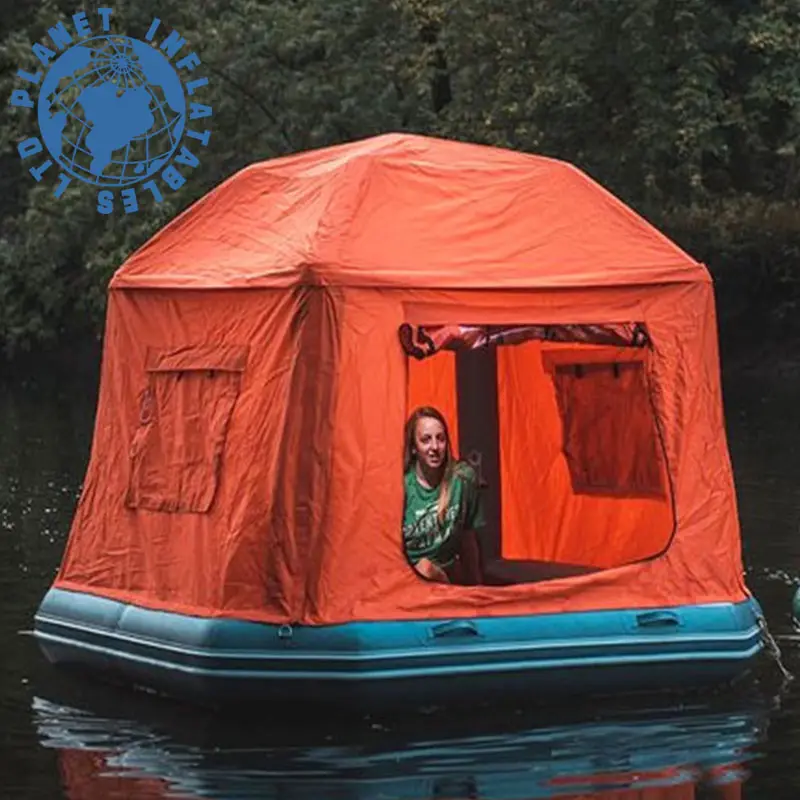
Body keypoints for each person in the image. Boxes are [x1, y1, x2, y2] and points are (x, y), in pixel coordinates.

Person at [402, 406, 485, 583]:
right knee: (424, 567)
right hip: (409, 578)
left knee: (430, 569)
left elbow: (468, 540)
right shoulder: (402, 487)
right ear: (414, 447)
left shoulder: (462, 479)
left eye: (440, 439)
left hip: (448, 575)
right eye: (425, 440)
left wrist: (477, 589)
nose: (435, 447)